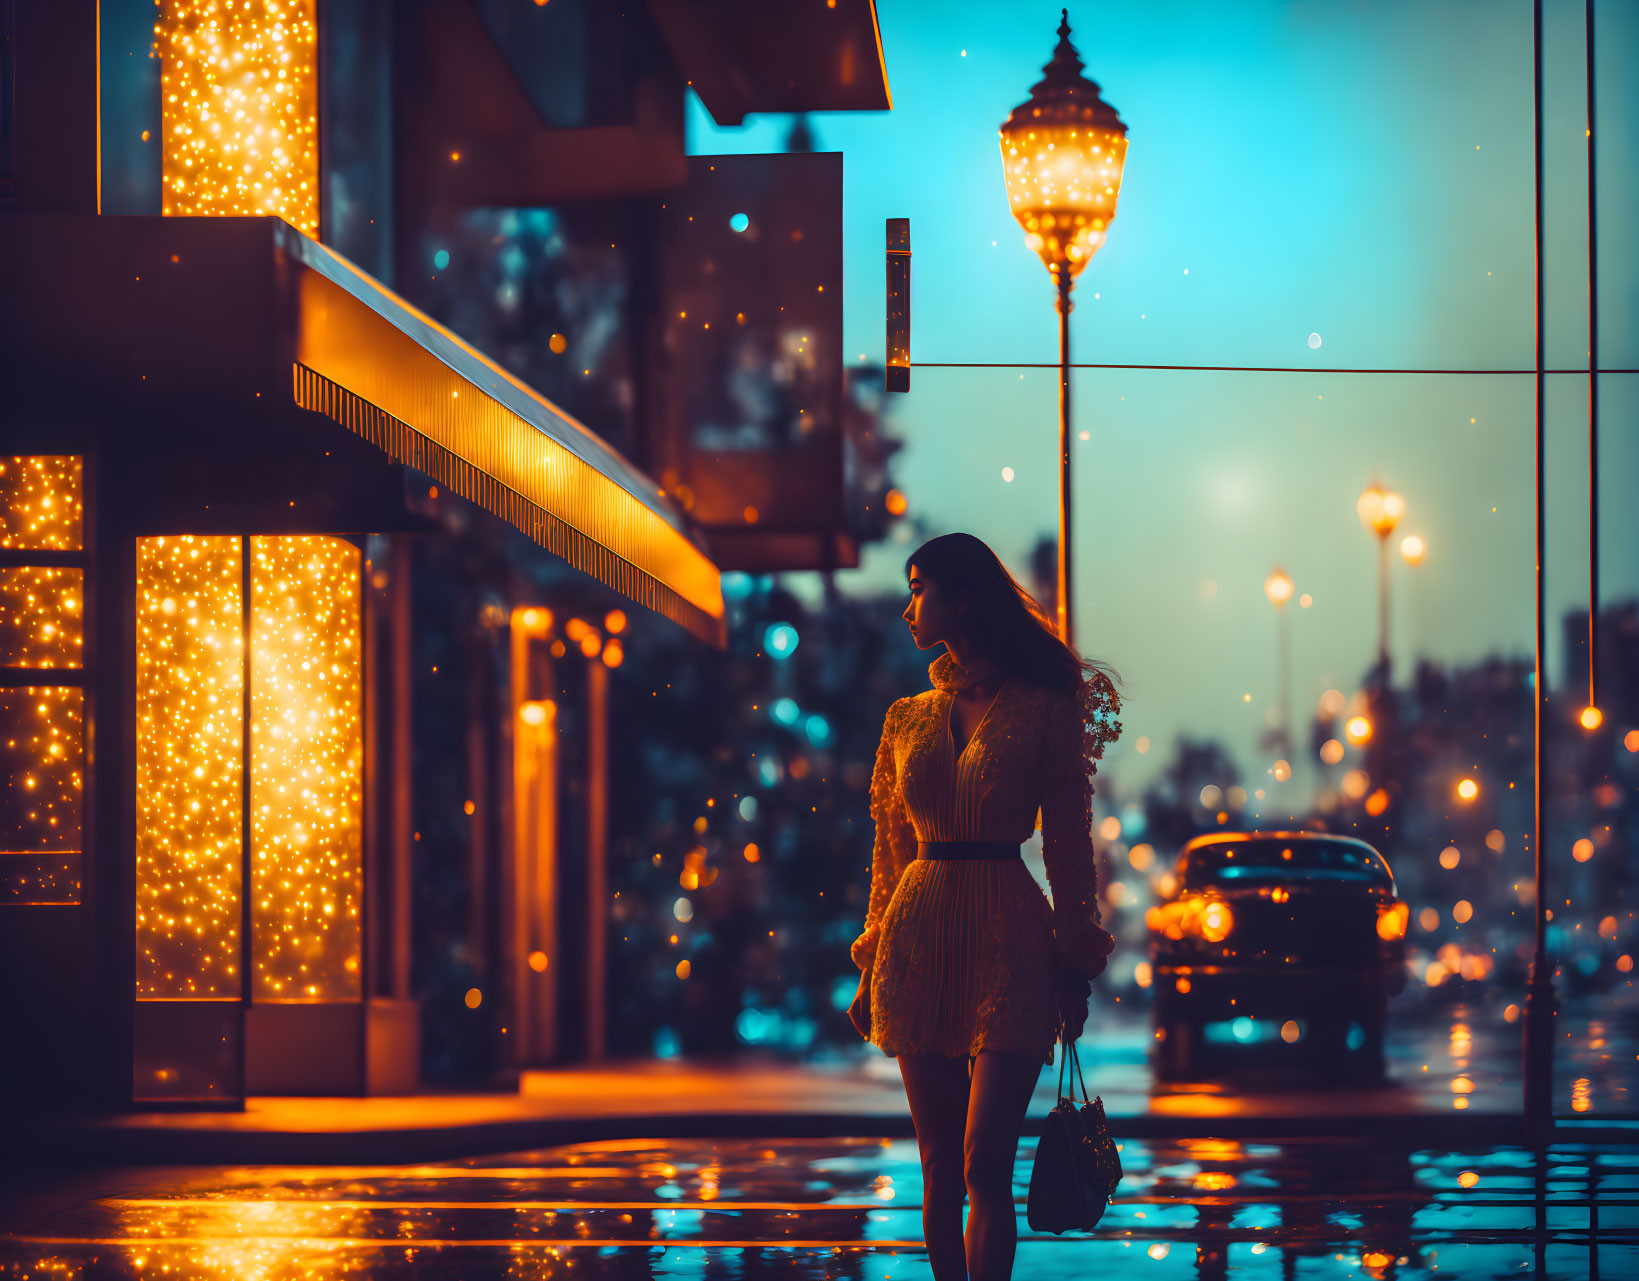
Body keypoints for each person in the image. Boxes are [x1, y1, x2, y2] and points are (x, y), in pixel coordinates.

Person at [848, 531, 1122, 1281]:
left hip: (1009, 935)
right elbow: (890, 850)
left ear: (961, 596)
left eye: (918, 587)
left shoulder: (1042, 708)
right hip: (918, 932)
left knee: (982, 1162)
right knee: (938, 1165)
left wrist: (1075, 958)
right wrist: (872, 954)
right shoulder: (903, 718)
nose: (908, 605)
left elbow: (1069, 842)